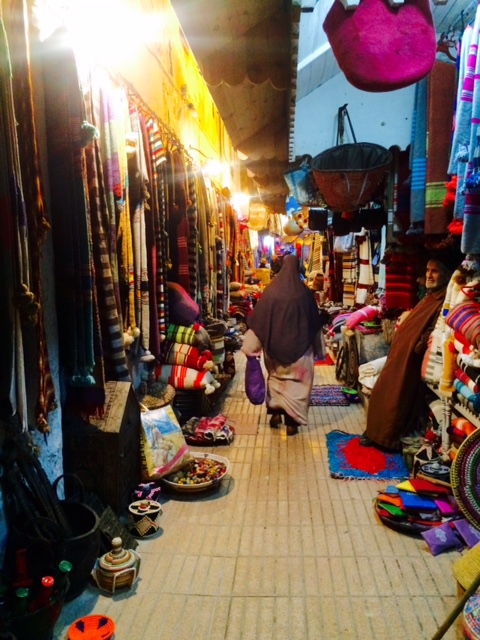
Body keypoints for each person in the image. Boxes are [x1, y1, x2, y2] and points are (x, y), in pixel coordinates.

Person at [360, 258, 453, 451]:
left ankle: (387, 439)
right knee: (383, 390)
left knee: (397, 396)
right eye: (427, 270)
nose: (429, 275)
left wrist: (417, 348)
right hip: (402, 352)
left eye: (434, 271)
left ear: (445, 275)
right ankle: (374, 432)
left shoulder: (443, 299)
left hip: (411, 356)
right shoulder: (431, 295)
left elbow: (435, 328)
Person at [241, 254, 324, 435]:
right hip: (301, 353)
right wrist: (320, 350)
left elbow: (259, 320)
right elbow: (314, 323)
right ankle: (291, 423)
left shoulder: (271, 292)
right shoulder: (305, 294)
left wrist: (251, 347)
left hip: (274, 350)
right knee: (296, 385)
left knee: (276, 380)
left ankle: (275, 413)